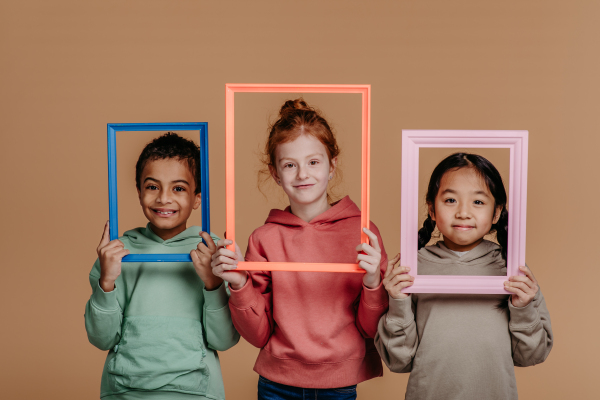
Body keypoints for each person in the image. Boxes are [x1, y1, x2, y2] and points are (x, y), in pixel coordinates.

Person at [211, 99, 389, 400]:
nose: (302, 174)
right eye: (290, 165)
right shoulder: (264, 239)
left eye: (313, 162)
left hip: (340, 384)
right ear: (276, 173)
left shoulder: (362, 232)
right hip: (276, 384)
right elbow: (257, 334)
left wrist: (373, 283)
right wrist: (239, 283)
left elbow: (372, 329)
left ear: (332, 166)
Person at [375, 153, 553, 400]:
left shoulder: (512, 270)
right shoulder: (411, 269)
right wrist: (398, 302)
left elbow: (532, 355)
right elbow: (398, 361)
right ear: (432, 209)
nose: (463, 213)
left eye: (478, 202)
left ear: (496, 213)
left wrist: (522, 308)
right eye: (450, 200)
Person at [84, 133, 239, 400]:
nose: (163, 198)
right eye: (152, 186)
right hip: (125, 391)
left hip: (195, 391)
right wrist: (106, 283)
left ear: (197, 198)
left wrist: (213, 284)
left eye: (178, 188)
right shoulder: (118, 251)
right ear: (139, 192)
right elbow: (102, 339)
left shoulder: (214, 252)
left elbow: (224, 340)